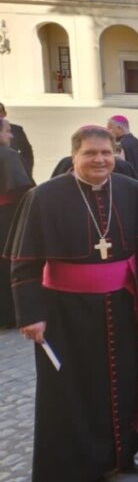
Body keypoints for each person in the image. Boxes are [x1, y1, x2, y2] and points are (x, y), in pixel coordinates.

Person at [7, 126, 138, 482]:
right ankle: (87, 468)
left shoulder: (131, 190)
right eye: (90, 153)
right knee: (78, 390)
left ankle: (123, 451)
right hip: (66, 310)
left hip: (120, 303)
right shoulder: (44, 197)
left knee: (124, 378)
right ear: (74, 156)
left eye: (106, 153)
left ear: (116, 153)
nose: (100, 160)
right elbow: (24, 262)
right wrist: (31, 315)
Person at [0, 118, 33, 328]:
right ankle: (8, 316)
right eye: (8, 131)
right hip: (6, 218)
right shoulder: (8, 155)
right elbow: (22, 190)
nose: (11, 136)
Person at [0, 102, 34, 180]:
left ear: (4, 114)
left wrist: (26, 170)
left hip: (13, 174)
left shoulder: (16, 130)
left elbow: (27, 152)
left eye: (0, 111)